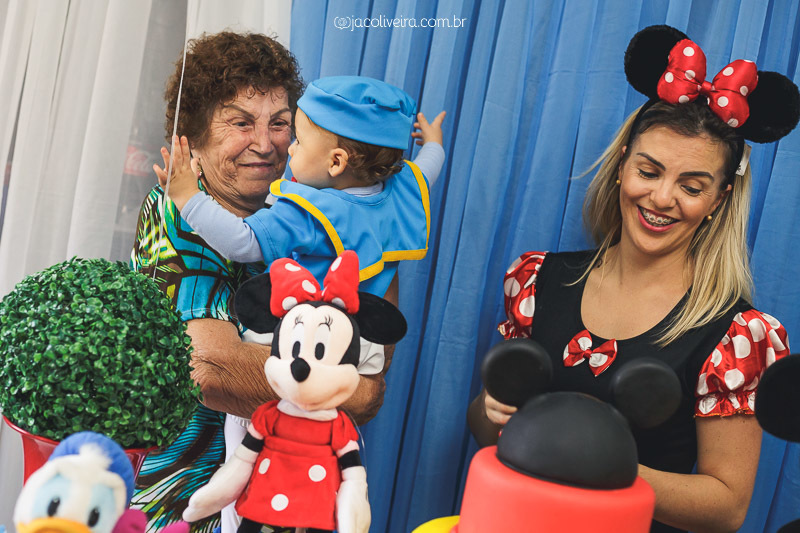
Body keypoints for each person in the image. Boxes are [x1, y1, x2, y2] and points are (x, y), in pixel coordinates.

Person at [468, 26, 798, 533]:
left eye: (691, 186)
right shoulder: (538, 280)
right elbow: (484, 425)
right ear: (623, 166)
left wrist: (601, 462)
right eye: (649, 171)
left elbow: (726, 506)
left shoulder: (734, 335)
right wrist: (492, 414)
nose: (662, 198)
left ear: (718, 201)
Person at [130, 33, 441, 533]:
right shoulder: (180, 214)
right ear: (191, 138)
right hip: (188, 504)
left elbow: (372, 380)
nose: (267, 142)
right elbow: (213, 370)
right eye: (240, 122)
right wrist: (333, 388)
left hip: (293, 501)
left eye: (281, 124)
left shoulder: (318, 211)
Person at [157, 75, 446, 299]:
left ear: (336, 162)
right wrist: (433, 141)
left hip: (301, 331)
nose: (290, 149)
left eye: (300, 141)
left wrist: (188, 197)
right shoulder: (402, 188)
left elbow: (241, 242)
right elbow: (430, 164)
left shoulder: (308, 214)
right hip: (359, 337)